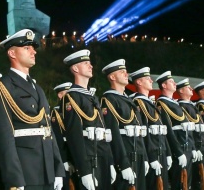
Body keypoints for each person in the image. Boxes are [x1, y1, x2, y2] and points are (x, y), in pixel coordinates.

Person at [0, 28, 65, 190]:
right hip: (25, 172)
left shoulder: (37, 88)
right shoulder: (2, 87)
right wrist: (14, 179)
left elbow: (48, 131)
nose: (33, 52)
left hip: (47, 170)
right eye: (27, 48)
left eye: (33, 48)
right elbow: (4, 137)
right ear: (12, 53)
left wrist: (58, 169)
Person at [61, 49, 116, 190]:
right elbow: (74, 136)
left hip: (101, 157)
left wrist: (110, 162)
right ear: (75, 68)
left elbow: (103, 131)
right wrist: (84, 171)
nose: (91, 66)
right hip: (89, 159)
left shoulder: (91, 97)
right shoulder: (72, 97)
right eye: (86, 63)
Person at [100, 59, 148, 190]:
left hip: (137, 154)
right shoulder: (109, 99)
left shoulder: (128, 100)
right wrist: (123, 163)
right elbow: (113, 134)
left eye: (126, 72)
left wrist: (145, 156)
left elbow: (138, 129)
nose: (126, 74)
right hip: (125, 156)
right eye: (122, 72)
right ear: (112, 77)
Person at [129, 67, 172, 189]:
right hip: (152, 154)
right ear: (139, 82)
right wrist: (151, 158)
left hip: (161, 152)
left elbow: (162, 132)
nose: (151, 80)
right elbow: (144, 134)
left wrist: (168, 153)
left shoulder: (149, 103)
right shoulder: (138, 103)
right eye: (147, 78)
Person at [155, 71, 191, 190]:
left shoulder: (174, 103)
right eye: (171, 81)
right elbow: (168, 131)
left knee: (186, 183)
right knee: (179, 183)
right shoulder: (162, 103)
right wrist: (178, 152)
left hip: (186, 146)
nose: (175, 83)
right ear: (164, 86)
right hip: (178, 147)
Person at [176, 79, 204, 189]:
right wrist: (195, 147)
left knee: (200, 178)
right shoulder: (181, 106)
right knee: (190, 180)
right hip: (191, 145)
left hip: (198, 145)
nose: (191, 89)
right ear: (181, 90)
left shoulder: (192, 106)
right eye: (188, 87)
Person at [50, 82, 78, 190]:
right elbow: (57, 139)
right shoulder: (56, 113)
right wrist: (64, 160)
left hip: (75, 153)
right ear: (60, 95)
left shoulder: (74, 110)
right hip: (64, 154)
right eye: (67, 93)